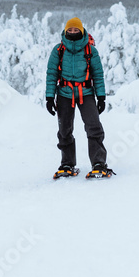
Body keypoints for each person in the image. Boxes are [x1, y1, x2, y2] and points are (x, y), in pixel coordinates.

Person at [46, 17, 114, 179]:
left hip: (86, 93)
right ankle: (67, 164)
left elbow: (98, 75)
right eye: (70, 30)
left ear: (81, 31)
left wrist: (101, 97)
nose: (73, 32)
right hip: (64, 93)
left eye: (76, 30)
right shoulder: (58, 50)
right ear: (65, 31)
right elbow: (51, 74)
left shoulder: (90, 50)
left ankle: (99, 163)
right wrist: (49, 97)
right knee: (64, 130)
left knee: (94, 127)